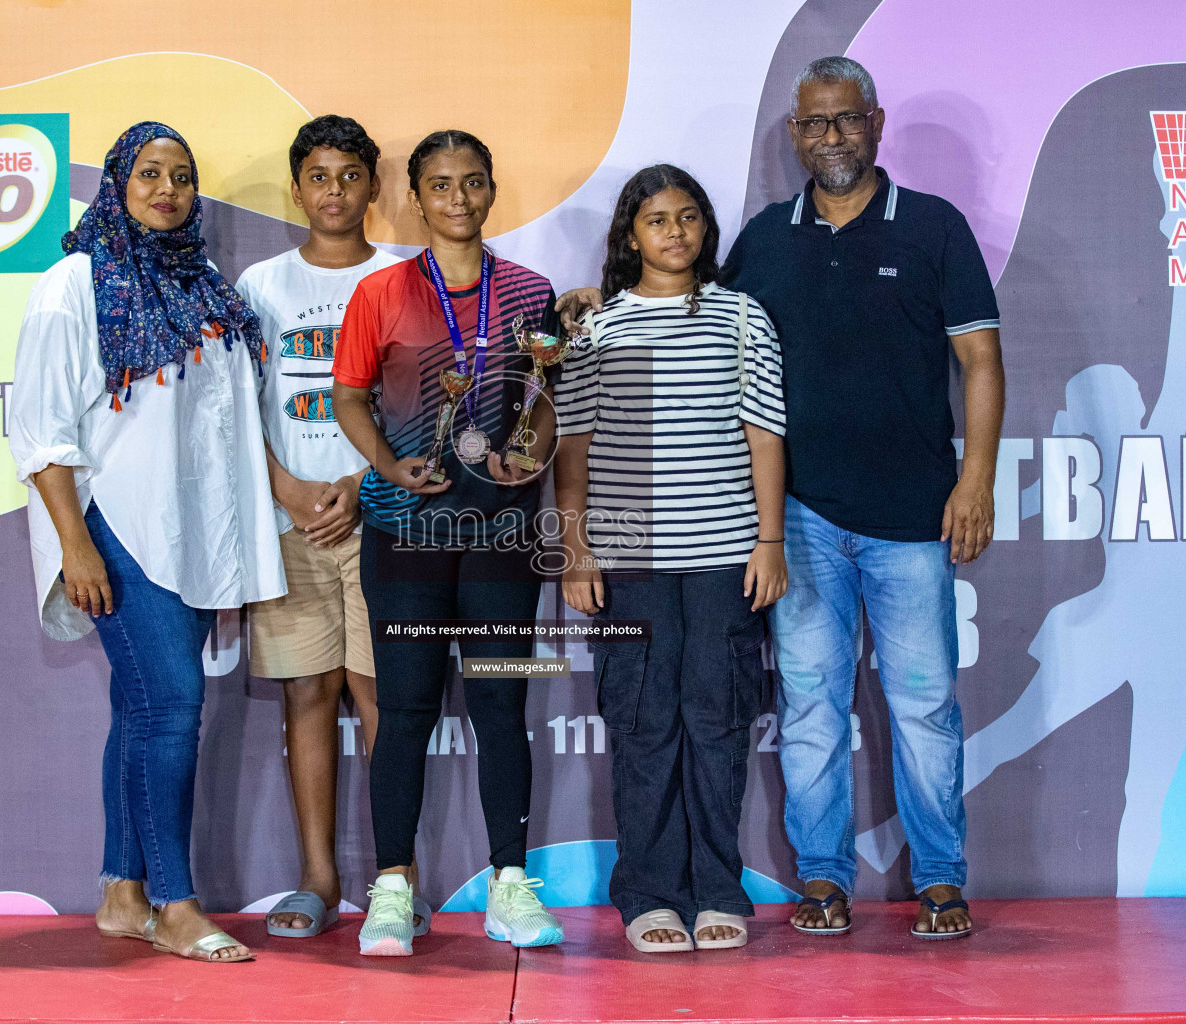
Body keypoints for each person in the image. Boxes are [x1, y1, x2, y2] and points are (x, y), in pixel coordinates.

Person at [558, 56, 1006, 940]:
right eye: (813, 124)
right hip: (795, 521)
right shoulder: (766, 238)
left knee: (923, 705)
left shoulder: (933, 227)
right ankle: (823, 881)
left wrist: (976, 480)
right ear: (794, 134)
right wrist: (593, 303)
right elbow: (686, 305)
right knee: (808, 708)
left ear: (875, 123)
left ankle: (942, 881)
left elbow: (980, 361)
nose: (830, 137)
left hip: (915, 516)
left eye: (845, 120)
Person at [8, 121, 285, 963]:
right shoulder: (75, 282)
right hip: (116, 528)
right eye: (149, 173)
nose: (167, 189)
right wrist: (74, 548)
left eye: (183, 175)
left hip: (193, 534)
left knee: (140, 709)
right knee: (171, 707)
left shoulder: (207, 284)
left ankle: (121, 892)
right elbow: (41, 433)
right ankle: (174, 903)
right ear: (118, 184)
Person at [331, 129, 565, 956]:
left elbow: (545, 395)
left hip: (501, 536)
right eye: (440, 185)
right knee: (404, 714)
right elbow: (350, 397)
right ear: (417, 199)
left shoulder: (532, 292)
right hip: (406, 535)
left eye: (472, 183)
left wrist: (530, 449)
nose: (457, 199)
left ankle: (510, 884)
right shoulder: (382, 294)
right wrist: (391, 463)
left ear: (492, 191)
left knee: (502, 708)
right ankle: (393, 888)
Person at [553, 165, 788, 953]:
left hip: (725, 558)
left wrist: (769, 540)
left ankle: (719, 889)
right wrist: (579, 553)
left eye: (689, 218)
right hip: (631, 564)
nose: (676, 232)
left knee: (718, 722)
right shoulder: (599, 329)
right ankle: (650, 894)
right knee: (643, 722)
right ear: (631, 235)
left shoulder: (742, 318)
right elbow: (574, 451)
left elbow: (763, 433)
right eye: (658, 220)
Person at [234, 115, 397, 939]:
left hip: (383, 520)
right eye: (319, 176)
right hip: (289, 520)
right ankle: (318, 880)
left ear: (375, 185)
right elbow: (232, 409)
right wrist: (290, 490)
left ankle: (394, 883)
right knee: (307, 693)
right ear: (297, 188)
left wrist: (365, 483)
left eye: (350, 175)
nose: (335, 192)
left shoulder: (407, 276)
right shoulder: (260, 286)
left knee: (379, 694)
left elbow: (423, 402)